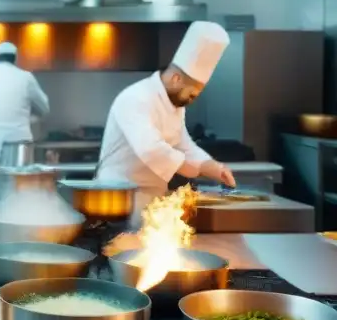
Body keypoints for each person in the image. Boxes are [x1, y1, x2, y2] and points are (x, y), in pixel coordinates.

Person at [95, 20, 236, 225]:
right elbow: (150, 149)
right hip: (118, 199)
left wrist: (212, 166)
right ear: (176, 78)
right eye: (193, 92)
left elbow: (182, 144)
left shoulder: (175, 105)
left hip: (152, 200)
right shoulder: (136, 97)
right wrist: (191, 169)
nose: (193, 98)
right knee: (122, 251)